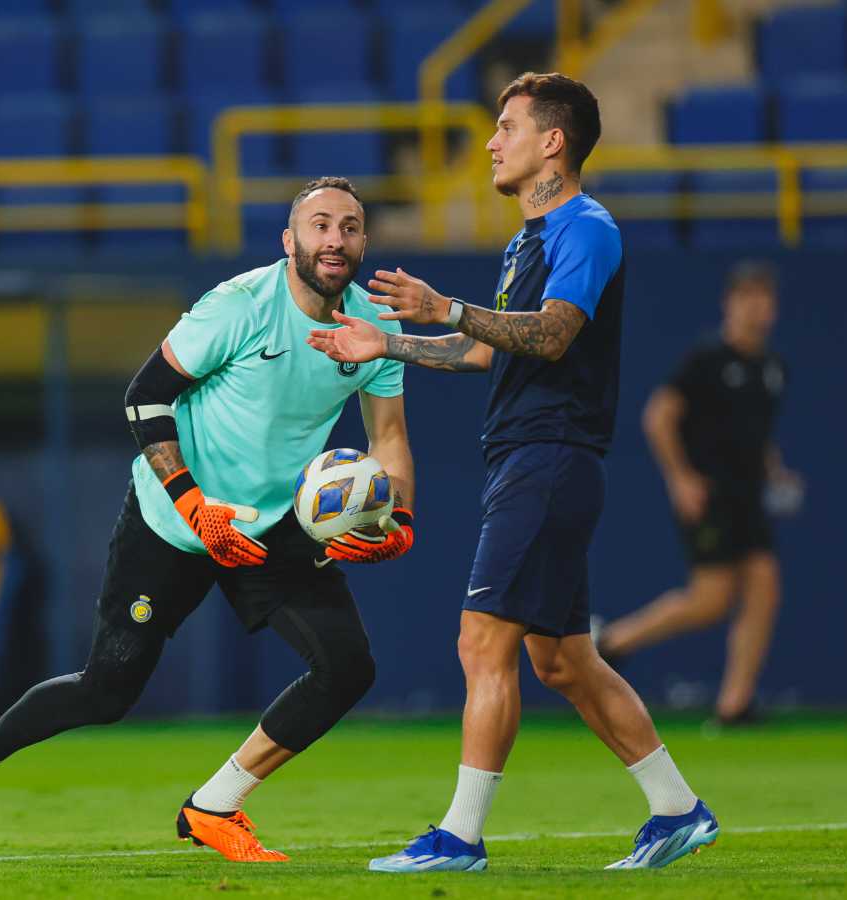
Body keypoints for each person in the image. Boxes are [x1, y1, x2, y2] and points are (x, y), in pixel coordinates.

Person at [0, 177, 417, 864]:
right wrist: (192, 505)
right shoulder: (238, 306)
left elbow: (388, 435)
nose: (335, 239)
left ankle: (214, 805)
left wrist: (401, 517)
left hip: (272, 525)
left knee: (347, 668)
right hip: (173, 521)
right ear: (289, 240)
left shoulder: (374, 325)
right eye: (320, 225)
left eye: (350, 227)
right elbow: (145, 398)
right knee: (107, 690)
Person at [308, 72, 717, 872]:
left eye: (506, 126)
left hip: (551, 456)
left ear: (552, 141)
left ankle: (460, 837)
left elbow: (554, 334)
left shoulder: (586, 228)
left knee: (479, 642)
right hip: (526, 457)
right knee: (559, 658)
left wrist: (448, 307)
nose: (491, 142)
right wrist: (387, 343)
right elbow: (488, 347)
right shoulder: (525, 242)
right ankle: (676, 809)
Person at [595, 262, 801, 725]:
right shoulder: (707, 360)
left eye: (764, 298)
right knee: (711, 599)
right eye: (747, 298)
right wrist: (680, 478)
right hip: (710, 494)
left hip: (749, 498)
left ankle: (735, 703)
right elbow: (658, 416)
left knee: (765, 587)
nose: (756, 308)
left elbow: (756, 433)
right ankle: (610, 643)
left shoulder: (773, 368)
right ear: (729, 304)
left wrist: (776, 471)